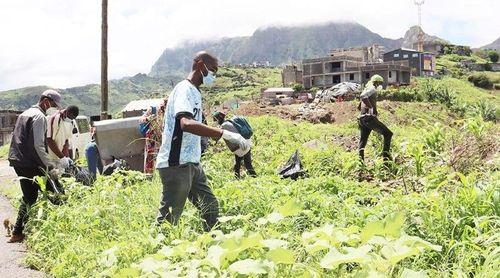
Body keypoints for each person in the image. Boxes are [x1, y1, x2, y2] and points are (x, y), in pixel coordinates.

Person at [155, 51, 249, 231]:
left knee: (210, 207)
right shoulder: (184, 89)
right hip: (176, 164)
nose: (214, 75)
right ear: (199, 65)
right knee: (168, 219)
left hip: (192, 163)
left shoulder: (195, 92)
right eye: (212, 70)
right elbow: (186, 123)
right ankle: (157, 252)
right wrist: (224, 134)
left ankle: (211, 244)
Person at [7, 89, 68, 243]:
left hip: (19, 161)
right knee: (57, 192)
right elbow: (38, 146)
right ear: (46, 101)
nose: (53, 108)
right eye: (53, 104)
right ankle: (66, 227)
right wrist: (50, 167)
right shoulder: (39, 117)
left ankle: (17, 232)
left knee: (29, 196)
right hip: (32, 162)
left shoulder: (24, 114)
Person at [358, 74, 393, 162]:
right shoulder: (372, 88)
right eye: (380, 83)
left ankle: (360, 162)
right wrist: (371, 108)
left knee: (363, 141)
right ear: (376, 83)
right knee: (388, 134)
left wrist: (369, 108)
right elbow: (363, 96)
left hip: (362, 118)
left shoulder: (367, 88)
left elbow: (359, 106)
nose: (380, 85)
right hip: (369, 118)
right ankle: (386, 159)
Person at [213, 111, 257, 178]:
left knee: (246, 165)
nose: (215, 122)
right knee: (240, 164)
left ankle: (255, 177)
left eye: (215, 120)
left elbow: (215, 138)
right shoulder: (228, 122)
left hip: (239, 147)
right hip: (243, 144)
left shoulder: (223, 126)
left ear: (218, 119)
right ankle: (238, 178)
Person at [139, 99, 167, 174]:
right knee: (150, 159)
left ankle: (160, 175)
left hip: (163, 140)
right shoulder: (153, 109)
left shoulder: (169, 112)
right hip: (152, 140)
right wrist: (148, 119)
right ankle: (149, 176)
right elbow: (141, 120)